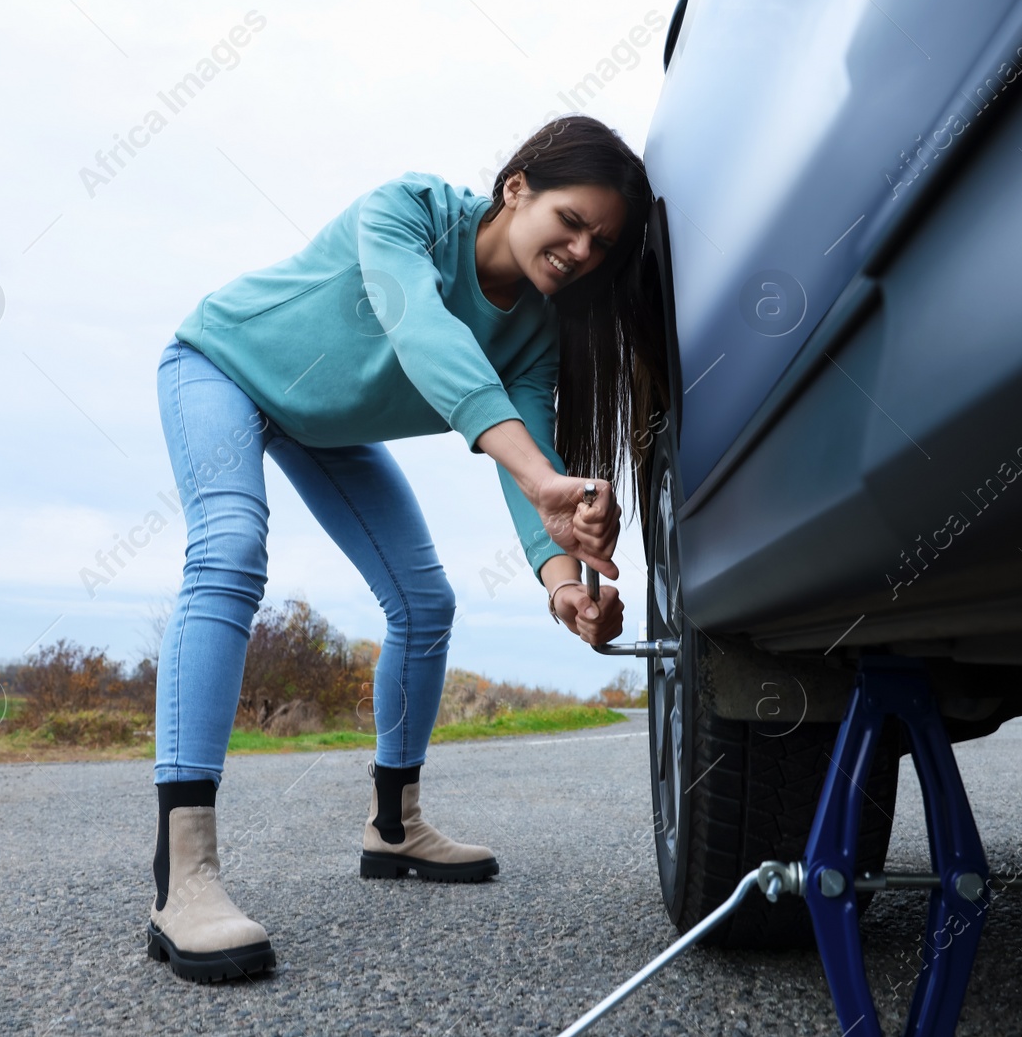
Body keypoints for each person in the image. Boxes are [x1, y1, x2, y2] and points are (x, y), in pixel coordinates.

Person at [146, 114, 669, 981]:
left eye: (600, 243)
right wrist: (546, 483)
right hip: (221, 365)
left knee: (427, 603)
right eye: (570, 220)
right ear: (517, 189)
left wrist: (562, 582)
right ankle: (183, 873)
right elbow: (423, 334)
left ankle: (394, 827)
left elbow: (528, 460)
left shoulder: (535, 332)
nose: (580, 250)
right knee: (232, 548)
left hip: (324, 426)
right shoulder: (409, 211)